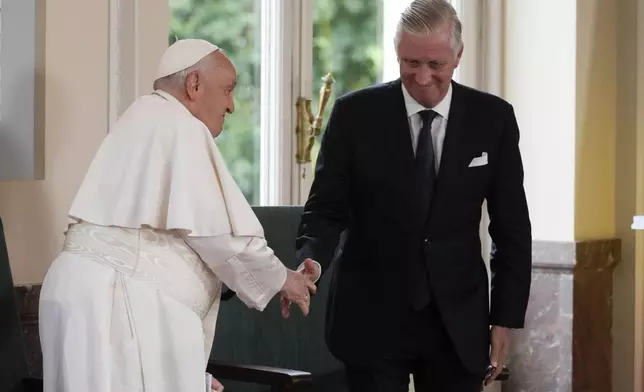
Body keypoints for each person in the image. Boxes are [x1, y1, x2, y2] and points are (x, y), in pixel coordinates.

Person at [38, 38, 317, 392]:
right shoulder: (181, 127)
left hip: (80, 294)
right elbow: (222, 237)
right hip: (114, 304)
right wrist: (284, 279)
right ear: (194, 84)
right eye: (228, 90)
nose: (231, 106)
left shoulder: (141, 119)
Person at [290, 1, 532, 391]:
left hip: (457, 321)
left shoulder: (493, 119)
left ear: (458, 56)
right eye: (410, 62)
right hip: (370, 315)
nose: (421, 78)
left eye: (435, 64)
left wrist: (504, 318)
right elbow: (325, 209)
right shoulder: (355, 115)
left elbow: (512, 227)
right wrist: (311, 261)